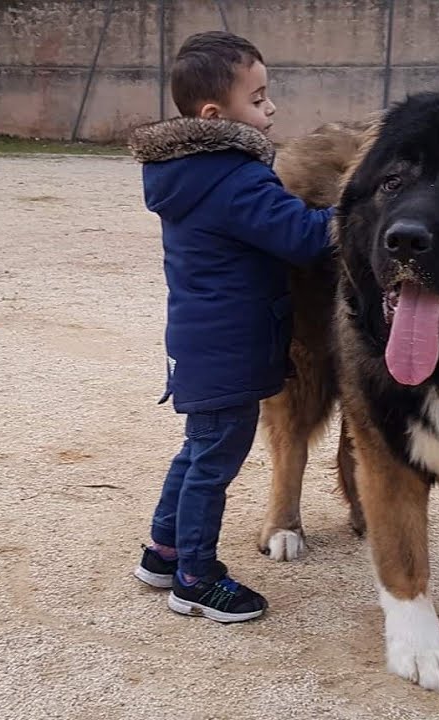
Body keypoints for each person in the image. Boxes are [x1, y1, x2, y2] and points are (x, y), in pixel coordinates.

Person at [126, 31, 335, 623]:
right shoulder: (236, 178)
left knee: (196, 451)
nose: (271, 111)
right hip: (231, 349)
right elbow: (304, 237)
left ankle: (163, 552)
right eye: (260, 99)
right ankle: (196, 576)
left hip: (202, 342)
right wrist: (363, 208)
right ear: (216, 115)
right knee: (214, 462)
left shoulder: (187, 175)